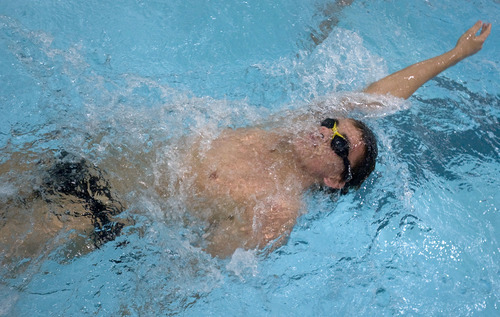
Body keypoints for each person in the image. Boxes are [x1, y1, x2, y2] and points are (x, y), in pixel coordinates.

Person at [0, 21, 491, 263]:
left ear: (333, 181)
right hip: (83, 154)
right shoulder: (286, 126)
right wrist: (455, 53)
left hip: (95, 210)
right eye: (331, 123)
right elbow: (379, 98)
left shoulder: (275, 210)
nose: (326, 131)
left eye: (340, 144)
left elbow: (194, 274)